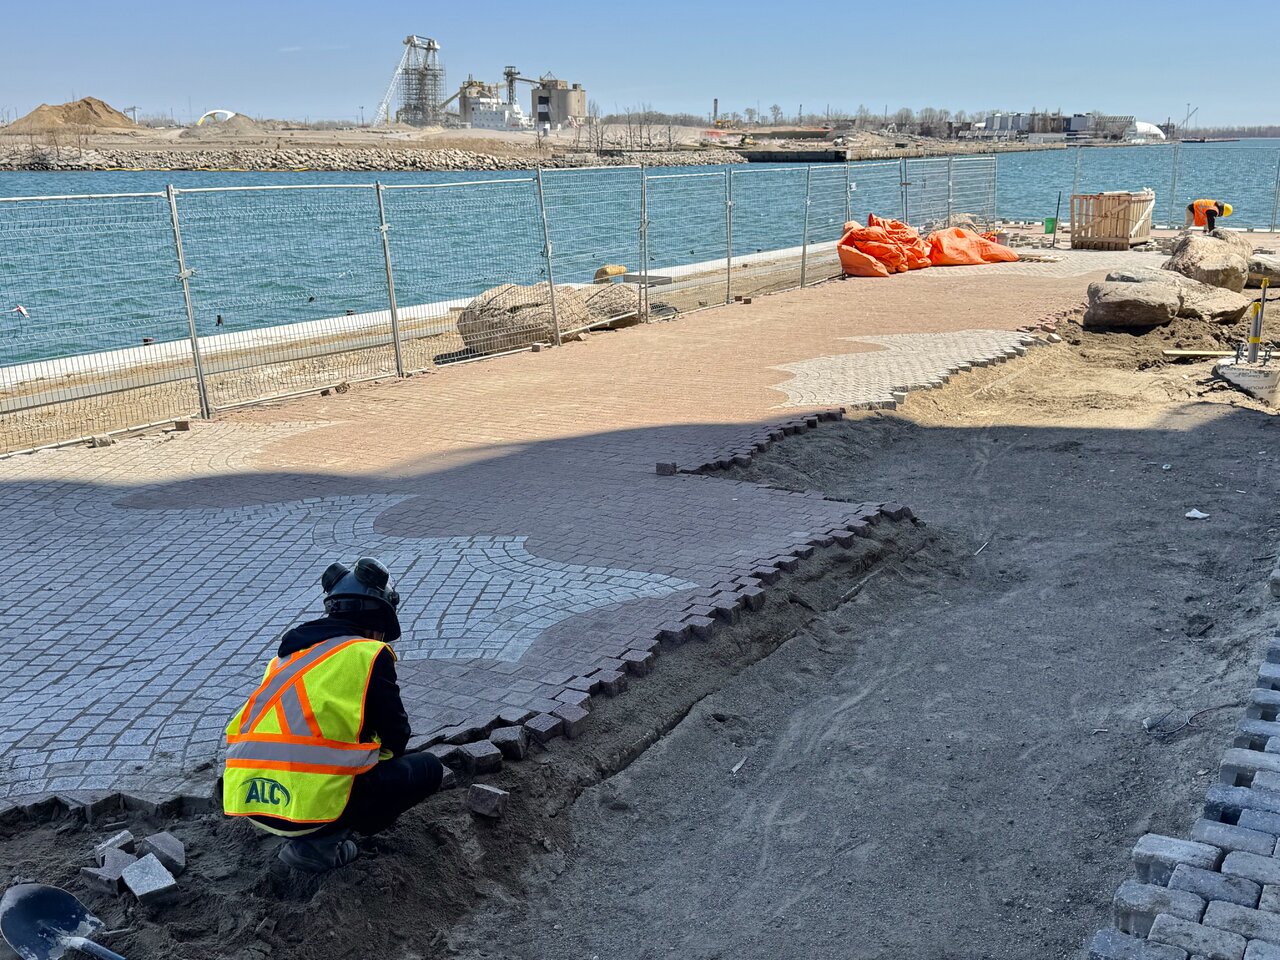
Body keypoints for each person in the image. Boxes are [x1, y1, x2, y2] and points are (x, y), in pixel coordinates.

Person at [223, 557, 443, 873]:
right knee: (427, 769)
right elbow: (397, 737)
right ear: (377, 619)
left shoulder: (287, 657)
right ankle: (319, 846)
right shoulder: (368, 654)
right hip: (305, 812)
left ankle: (311, 828)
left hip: (252, 800)